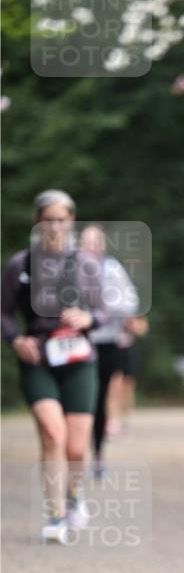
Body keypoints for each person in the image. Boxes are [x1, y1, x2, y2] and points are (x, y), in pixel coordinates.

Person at [1, 190, 106, 543]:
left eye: (62, 219)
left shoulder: (86, 264)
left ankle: (74, 497)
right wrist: (16, 339)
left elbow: (104, 312)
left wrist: (87, 317)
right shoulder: (21, 265)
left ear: (71, 222)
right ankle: (56, 515)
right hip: (39, 360)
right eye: (49, 220)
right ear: (38, 223)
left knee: (76, 449)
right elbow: (3, 313)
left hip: (79, 361)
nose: (56, 226)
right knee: (52, 434)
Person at [80, 224, 140, 476]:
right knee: (78, 401)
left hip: (106, 344)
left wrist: (102, 309)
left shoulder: (112, 269)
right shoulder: (71, 269)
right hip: (78, 343)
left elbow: (131, 302)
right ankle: (73, 453)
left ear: (102, 245)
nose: (92, 246)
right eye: (87, 241)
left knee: (98, 399)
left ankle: (97, 455)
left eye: (97, 242)